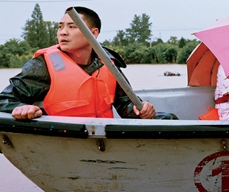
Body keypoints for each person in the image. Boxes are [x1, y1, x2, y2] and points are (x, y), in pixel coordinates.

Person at [0, 7, 157, 121]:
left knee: (163, 118)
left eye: (72, 27)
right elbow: (4, 100)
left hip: (104, 141)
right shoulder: (44, 65)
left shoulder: (108, 63)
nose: (62, 32)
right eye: (60, 27)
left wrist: (140, 109)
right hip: (63, 142)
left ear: (93, 33)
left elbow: (125, 105)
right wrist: (20, 108)